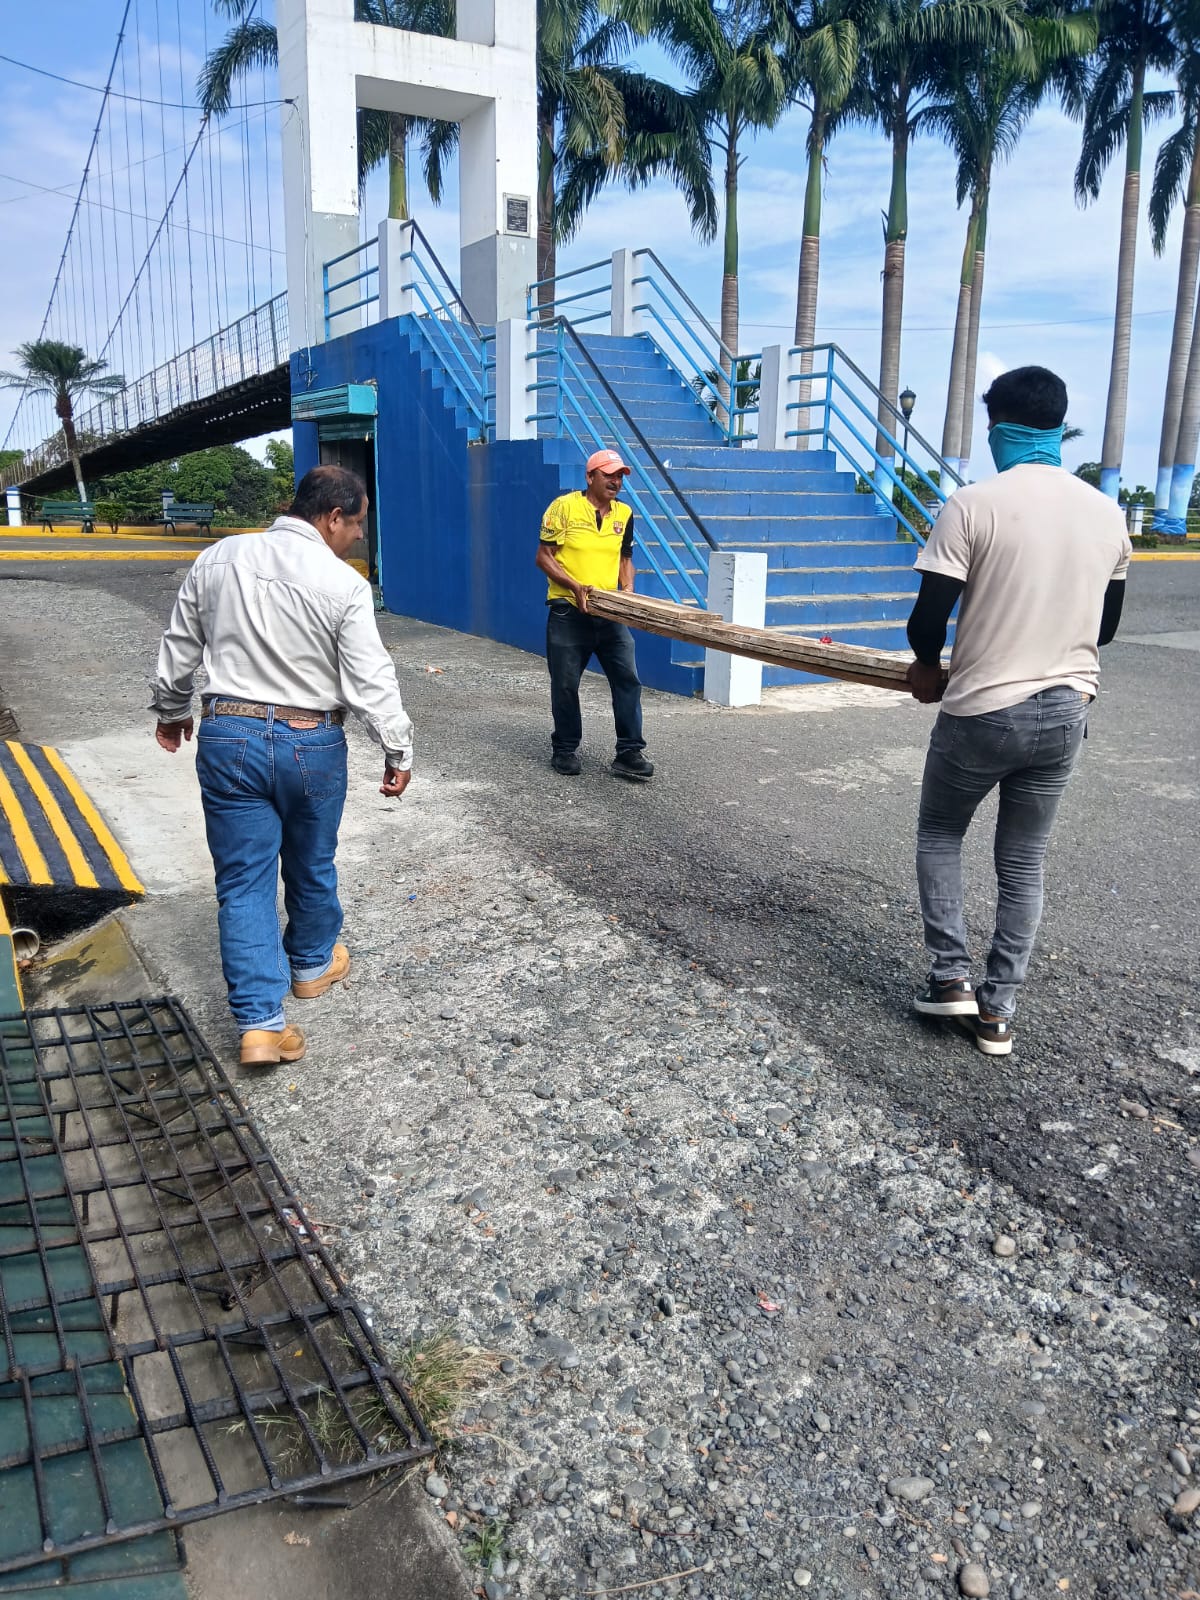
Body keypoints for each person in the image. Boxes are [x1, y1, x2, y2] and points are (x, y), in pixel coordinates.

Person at [152, 465, 414, 1068]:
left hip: (229, 733)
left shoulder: (219, 558)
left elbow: (180, 646)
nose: (358, 536)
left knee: (242, 882)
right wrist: (397, 749)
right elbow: (371, 677)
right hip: (310, 741)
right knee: (312, 859)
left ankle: (260, 1027)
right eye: (357, 525)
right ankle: (313, 966)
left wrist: (170, 712)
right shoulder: (342, 583)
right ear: (333, 517)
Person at [904, 365, 1131, 1056]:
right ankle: (998, 1012)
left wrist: (926, 667)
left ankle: (950, 979)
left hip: (983, 710)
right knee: (1024, 860)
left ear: (997, 426)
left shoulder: (974, 503)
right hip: (1066, 711)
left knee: (941, 834)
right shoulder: (1107, 513)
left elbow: (927, 620)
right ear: (1058, 427)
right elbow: (1106, 628)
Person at [536, 448, 654, 780]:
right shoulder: (563, 508)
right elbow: (544, 556)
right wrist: (574, 586)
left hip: (608, 613)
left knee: (627, 679)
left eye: (620, 477)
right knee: (565, 683)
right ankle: (565, 749)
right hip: (568, 610)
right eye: (609, 475)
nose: (616, 482)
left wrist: (627, 589)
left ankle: (629, 752)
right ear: (590, 477)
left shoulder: (624, 513)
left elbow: (625, 559)